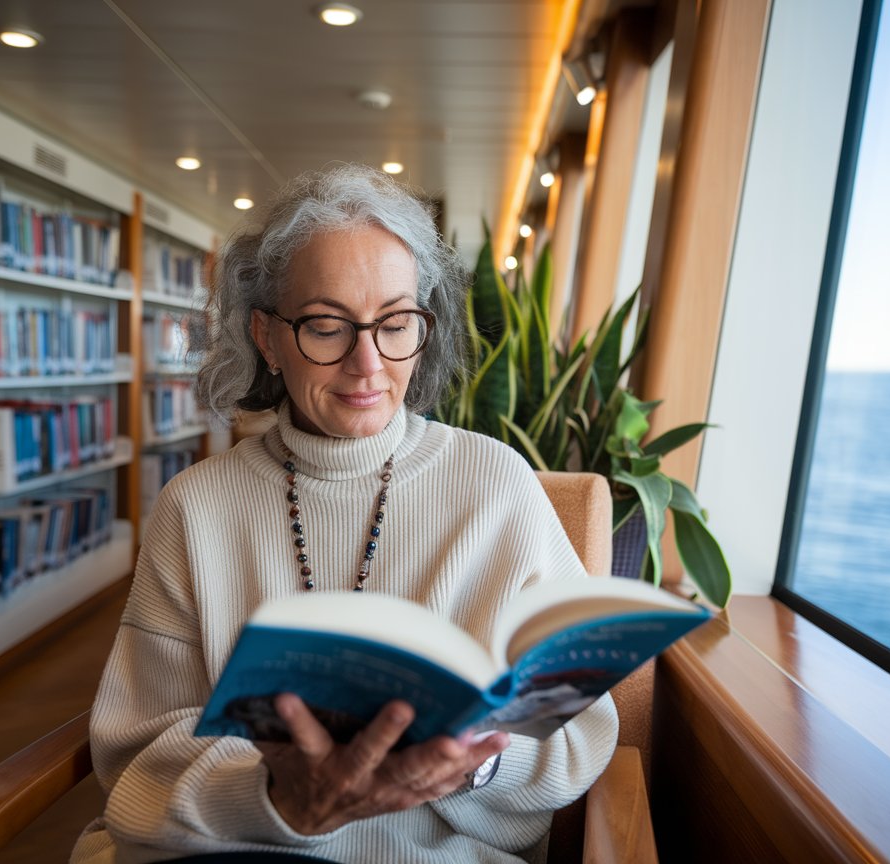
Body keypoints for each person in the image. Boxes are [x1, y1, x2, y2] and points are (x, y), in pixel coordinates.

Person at [72, 164, 619, 864]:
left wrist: (476, 762)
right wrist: (277, 796)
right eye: (328, 327)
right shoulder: (196, 506)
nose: (368, 365)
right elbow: (139, 754)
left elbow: (576, 728)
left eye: (395, 324)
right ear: (267, 336)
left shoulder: (497, 484)